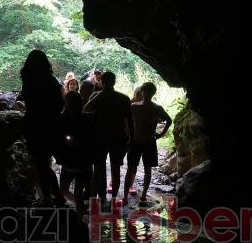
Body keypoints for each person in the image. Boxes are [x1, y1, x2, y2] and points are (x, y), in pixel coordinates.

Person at [19, 50, 65, 206]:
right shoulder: (52, 81)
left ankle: (50, 199)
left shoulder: (29, 82)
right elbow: (59, 106)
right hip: (49, 127)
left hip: (34, 126)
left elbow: (29, 104)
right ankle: (54, 198)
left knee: (40, 166)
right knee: (43, 165)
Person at [83, 71, 133, 206]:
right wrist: (131, 138)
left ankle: (94, 200)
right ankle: (113, 199)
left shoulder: (96, 96)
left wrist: (100, 95)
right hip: (117, 139)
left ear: (102, 82)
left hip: (100, 138)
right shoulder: (123, 98)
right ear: (114, 81)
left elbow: (85, 109)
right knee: (114, 170)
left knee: (98, 171)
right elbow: (129, 120)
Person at [124, 82, 172, 207]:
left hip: (143, 142)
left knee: (141, 169)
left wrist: (161, 134)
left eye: (148, 92)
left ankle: (137, 196)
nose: (147, 94)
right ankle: (132, 196)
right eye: (146, 92)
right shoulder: (138, 106)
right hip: (142, 142)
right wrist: (128, 134)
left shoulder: (144, 107)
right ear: (143, 92)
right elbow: (125, 119)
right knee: (136, 169)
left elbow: (169, 120)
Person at [56, 92, 96, 217]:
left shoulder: (65, 119)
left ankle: (79, 217)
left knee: (65, 190)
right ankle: (80, 218)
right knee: (75, 193)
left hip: (74, 162)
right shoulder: (85, 119)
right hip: (82, 162)